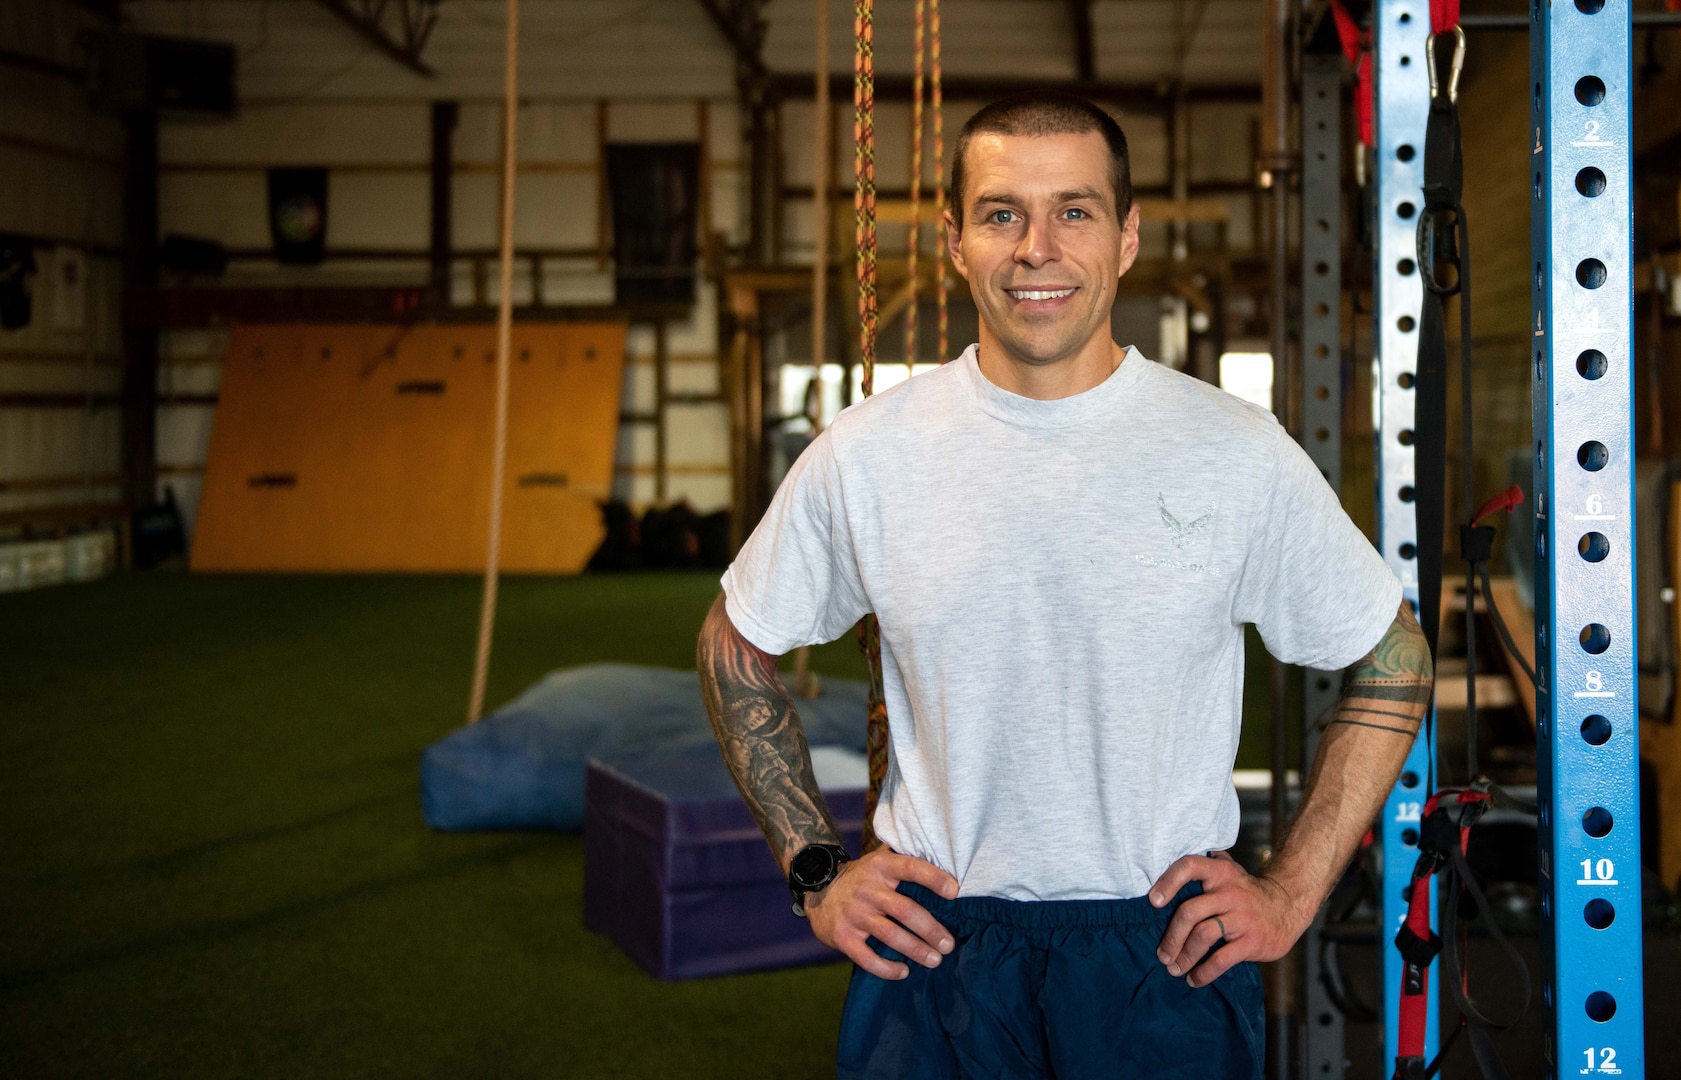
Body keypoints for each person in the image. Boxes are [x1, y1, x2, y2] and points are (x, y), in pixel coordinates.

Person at [696, 90, 1432, 1079]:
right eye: (1002, 213)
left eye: (1073, 211)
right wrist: (816, 871)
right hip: (939, 948)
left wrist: (1291, 892)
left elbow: (1395, 655)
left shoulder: (1233, 453)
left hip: (1157, 953)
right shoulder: (867, 455)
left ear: (1125, 239)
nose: (1036, 247)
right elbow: (733, 645)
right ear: (956, 241)